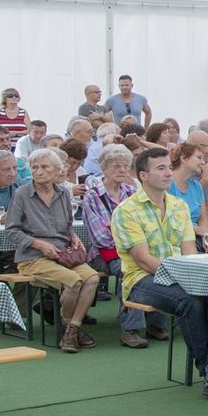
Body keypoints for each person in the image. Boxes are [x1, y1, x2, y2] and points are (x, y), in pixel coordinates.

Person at [116, 148, 208, 401]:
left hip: (178, 273)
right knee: (189, 302)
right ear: (143, 175)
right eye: (160, 168)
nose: (167, 173)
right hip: (141, 280)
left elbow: (188, 251)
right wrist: (183, 277)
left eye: (168, 167)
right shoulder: (126, 210)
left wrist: (191, 277)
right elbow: (142, 259)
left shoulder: (178, 207)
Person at [5, 147, 101, 352]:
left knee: (92, 278)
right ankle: (69, 329)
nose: (38, 171)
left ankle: (71, 329)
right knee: (73, 281)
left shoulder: (63, 194)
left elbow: (67, 225)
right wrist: (38, 243)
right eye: (34, 167)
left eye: (44, 167)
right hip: (32, 257)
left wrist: (73, 237)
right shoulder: (22, 194)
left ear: (57, 170)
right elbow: (11, 231)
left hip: (62, 255)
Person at [83, 144, 140, 344]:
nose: (123, 170)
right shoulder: (92, 196)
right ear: (104, 168)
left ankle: (156, 322)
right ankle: (130, 330)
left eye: (125, 166)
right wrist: (131, 240)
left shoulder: (132, 192)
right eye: (117, 166)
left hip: (131, 249)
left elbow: (142, 226)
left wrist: (130, 237)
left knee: (155, 265)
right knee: (129, 271)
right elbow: (100, 237)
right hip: (102, 254)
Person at [167, 142, 208, 231]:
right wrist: (196, 230)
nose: (203, 162)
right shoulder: (167, 184)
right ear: (184, 158)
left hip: (198, 236)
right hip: (176, 236)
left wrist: (207, 236)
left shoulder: (197, 186)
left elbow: (203, 219)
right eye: (199, 158)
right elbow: (168, 220)